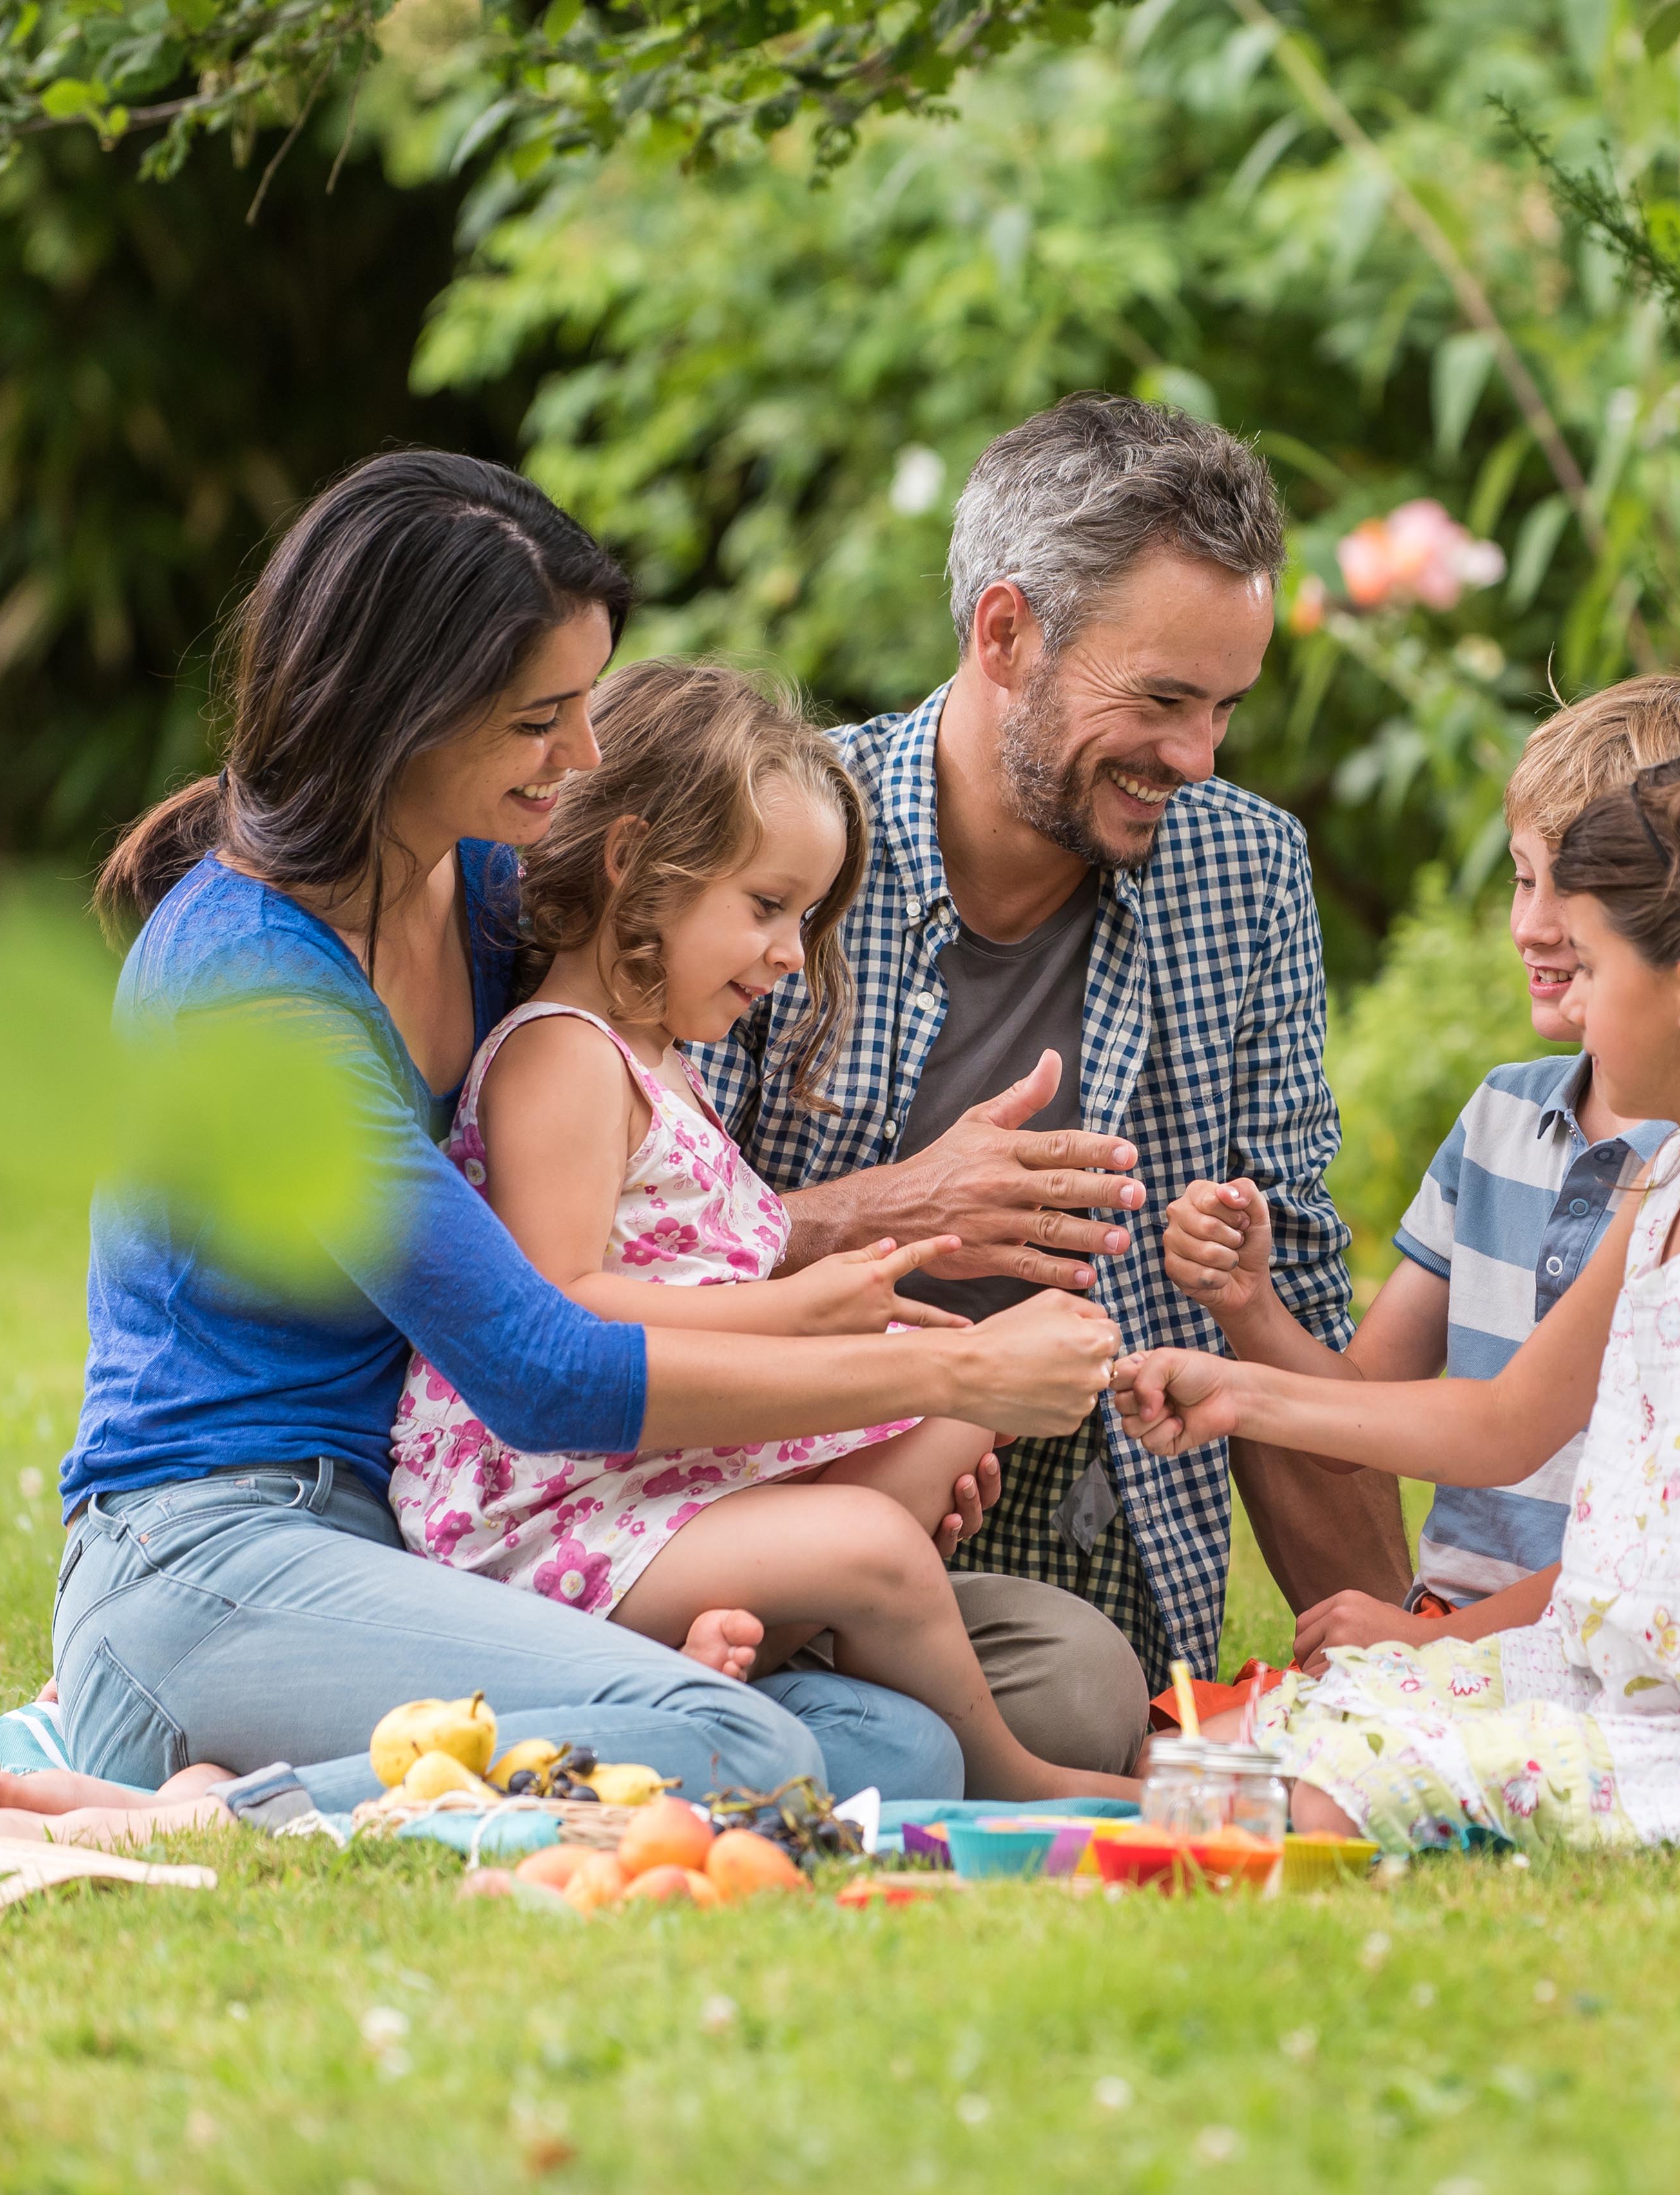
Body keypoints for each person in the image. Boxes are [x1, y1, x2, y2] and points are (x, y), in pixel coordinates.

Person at [57, 450, 1121, 1815]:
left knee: (908, 1749)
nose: (584, 755)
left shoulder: (490, 900)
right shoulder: (252, 986)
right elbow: (540, 1364)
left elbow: (641, 1222)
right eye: (539, 718)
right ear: (398, 712)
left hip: (427, 1546)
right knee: (748, 1752)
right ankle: (209, 1804)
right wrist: (945, 1377)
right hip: (210, 1557)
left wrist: (894, 1240)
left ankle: (551, 1717)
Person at [1112, 749, 1680, 1877]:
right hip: (1607, 1672)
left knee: (1286, 1807)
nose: (1573, 995)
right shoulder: (1672, 1188)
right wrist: (1239, 1390)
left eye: (1597, 964)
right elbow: (1503, 1422)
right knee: (1209, 1755)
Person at [694, 394, 1407, 1704]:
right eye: (1161, 699)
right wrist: (894, 1211)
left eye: (1227, 708)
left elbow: (1287, 1299)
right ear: (1006, 634)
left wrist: (1400, 1672)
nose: (1196, 757)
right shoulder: (768, 849)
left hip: (1083, 1541)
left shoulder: (1245, 873)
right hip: (761, 1507)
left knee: (1078, 1695)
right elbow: (622, 1265)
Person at [388, 659, 1123, 1802]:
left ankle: (727, 1657)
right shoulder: (561, 1058)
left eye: (808, 916)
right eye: (767, 906)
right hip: (546, 1514)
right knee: (876, 1543)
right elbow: (560, 1307)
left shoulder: (664, 1068)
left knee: (955, 1412)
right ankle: (1012, 1774)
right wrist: (798, 1310)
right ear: (635, 864)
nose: (791, 952)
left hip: (650, 1483)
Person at [1159, 677, 1680, 1659]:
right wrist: (1249, 1306)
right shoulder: (1501, 1119)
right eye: (1522, 878)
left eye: (1573, 894)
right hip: (1457, 1628)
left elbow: (1658, 1546)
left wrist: (1443, 1643)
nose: (1533, 927)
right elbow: (1364, 1416)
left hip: (1605, 1641)